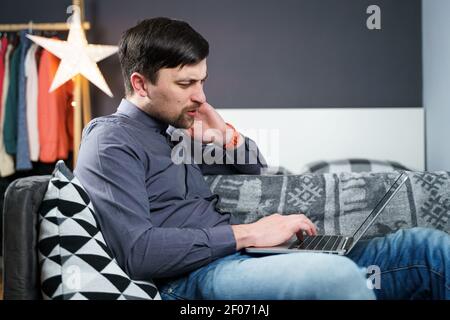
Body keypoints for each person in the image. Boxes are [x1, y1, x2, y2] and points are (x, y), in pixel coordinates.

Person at [74, 17, 450, 300]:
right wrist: (250, 233)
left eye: (202, 81)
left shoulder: (174, 133)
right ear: (140, 83)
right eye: (186, 84)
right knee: (335, 278)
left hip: (245, 260)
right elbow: (139, 252)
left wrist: (226, 137)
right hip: (191, 280)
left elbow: (257, 169)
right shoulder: (111, 141)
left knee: (425, 247)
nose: (201, 97)